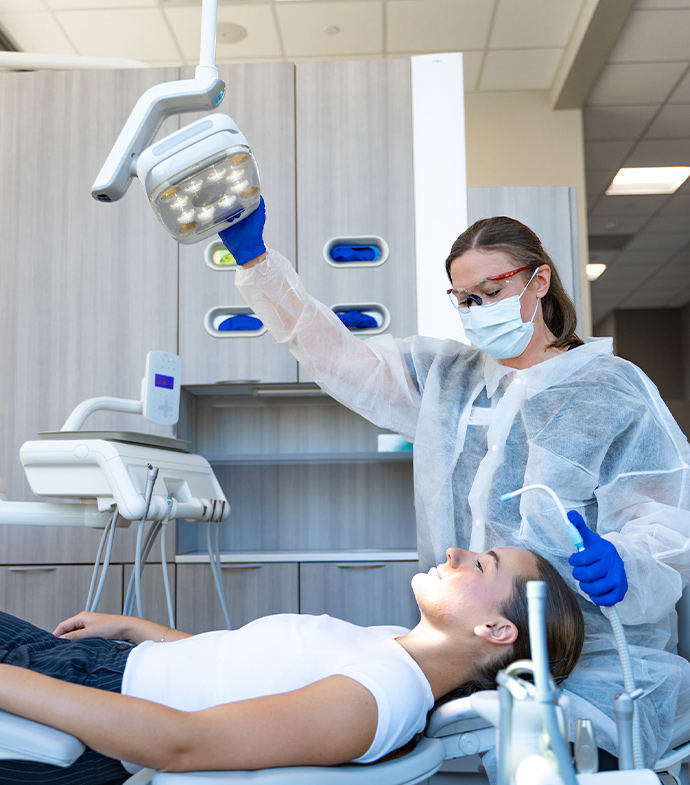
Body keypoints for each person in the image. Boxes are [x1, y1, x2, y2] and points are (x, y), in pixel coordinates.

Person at [220, 199, 690, 769]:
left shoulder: (609, 388)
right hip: (473, 652)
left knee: (563, 764)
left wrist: (627, 564)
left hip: (592, 654)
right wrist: (258, 263)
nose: (476, 309)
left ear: (538, 281)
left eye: (490, 293)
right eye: (464, 300)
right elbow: (336, 356)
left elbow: (664, 521)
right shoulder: (448, 380)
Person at [0, 546, 582, 784]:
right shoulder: (391, 649)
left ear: (497, 630)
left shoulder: (374, 701)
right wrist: (135, 630)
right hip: (97, 667)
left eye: (479, 565)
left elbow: (179, 741)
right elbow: (240, 666)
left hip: (86, 713)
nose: (455, 553)